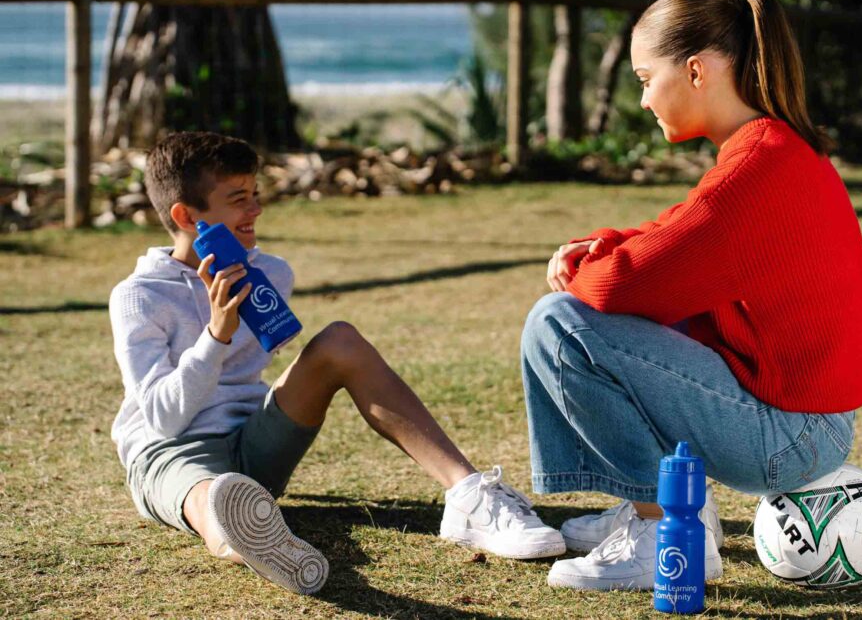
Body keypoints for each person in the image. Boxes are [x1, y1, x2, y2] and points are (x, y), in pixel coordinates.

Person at [521, 0, 862, 591]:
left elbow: (624, 283)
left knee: (560, 324)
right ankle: (674, 508)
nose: (642, 99)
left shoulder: (754, 171)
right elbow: (672, 237)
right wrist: (602, 244)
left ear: (695, 70)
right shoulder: (770, 150)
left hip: (789, 437)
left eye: (643, 78)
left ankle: (661, 532)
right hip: (804, 421)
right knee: (627, 316)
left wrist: (582, 267)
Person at [110, 132, 564, 596]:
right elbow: (165, 420)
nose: (256, 210)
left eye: (256, 194)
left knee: (340, 340)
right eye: (238, 199)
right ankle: (245, 534)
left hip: (254, 439)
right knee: (212, 497)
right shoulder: (140, 296)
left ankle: (469, 495)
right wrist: (216, 334)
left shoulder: (271, 274)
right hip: (174, 453)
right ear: (186, 216)